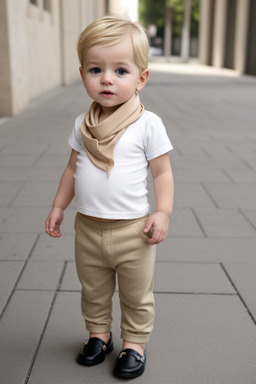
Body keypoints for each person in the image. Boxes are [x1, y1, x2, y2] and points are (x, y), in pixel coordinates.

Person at [45, 15, 174, 379]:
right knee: (94, 289)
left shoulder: (148, 124)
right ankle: (98, 335)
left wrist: (162, 213)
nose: (106, 79)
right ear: (82, 72)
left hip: (133, 231)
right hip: (87, 228)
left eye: (120, 70)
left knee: (136, 294)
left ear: (141, 79)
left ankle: (134, 342)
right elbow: (72, 169)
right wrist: (58, 207)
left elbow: (162, 173)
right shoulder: (81, 124)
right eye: (95, 69)